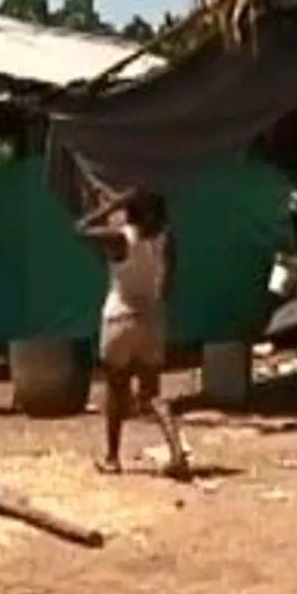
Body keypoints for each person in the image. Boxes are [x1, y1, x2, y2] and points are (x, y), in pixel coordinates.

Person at [78, 188, 191, 480]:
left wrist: (110, 206)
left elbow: (80, 229)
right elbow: (167, 284)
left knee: (116, 390)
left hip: (119, 318)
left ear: (130, 210)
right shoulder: (166, 238)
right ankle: (177, 453)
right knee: (152, 393)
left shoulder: (120, 238)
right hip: (151, 319)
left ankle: (113, 458)